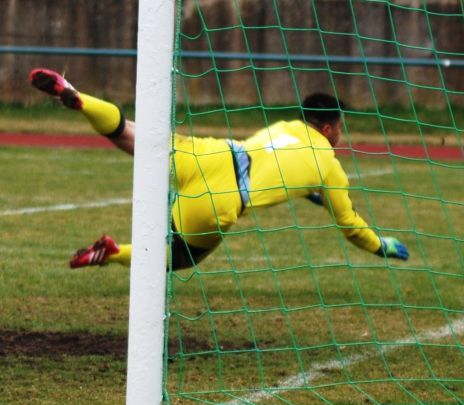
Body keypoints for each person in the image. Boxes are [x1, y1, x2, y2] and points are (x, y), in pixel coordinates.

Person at [29, 68, 409, 270]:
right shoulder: (331, 167)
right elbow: (350, 226)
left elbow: (280, 166)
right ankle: (111, 254)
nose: (341, 135)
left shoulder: (284, 127)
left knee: (128, 134)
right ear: (327, 129)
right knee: (178, 258)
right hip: (221, 198)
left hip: (212, 154)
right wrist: (382, 247)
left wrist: (310, 192)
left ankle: (79, 95)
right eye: (339, 128)